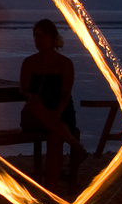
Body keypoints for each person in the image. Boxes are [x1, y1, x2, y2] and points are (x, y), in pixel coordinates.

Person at [20, 19, 88, 190]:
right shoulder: (29, 62)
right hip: (35, 114)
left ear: (53, 38)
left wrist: (57, 111)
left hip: (61, 111)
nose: (38, 39)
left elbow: (66, 93)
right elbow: (23, 89)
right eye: (36, 35)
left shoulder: (65, 64)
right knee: (34, 105)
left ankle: (50, 191)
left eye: (43, 36)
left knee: (55, 136)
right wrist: (32, 96)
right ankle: (76, 145)